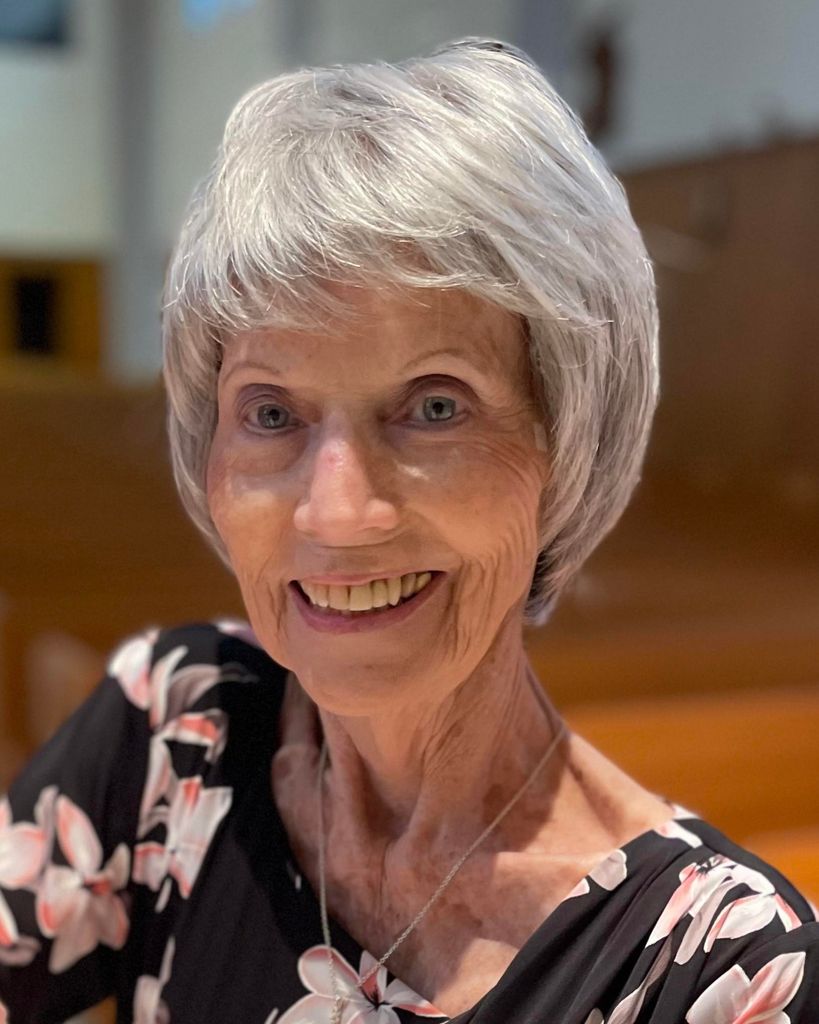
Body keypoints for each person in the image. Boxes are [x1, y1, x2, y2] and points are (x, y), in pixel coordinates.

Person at [1, 39, 816, 1024]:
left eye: (435, 406)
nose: (337, 512)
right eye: (271, 412)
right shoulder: (175, 730)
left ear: (567, 442)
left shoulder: (724, 973)